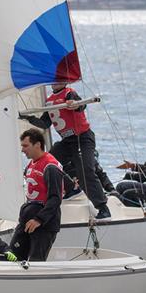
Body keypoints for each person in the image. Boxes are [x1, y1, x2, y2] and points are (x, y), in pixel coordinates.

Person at [19, 83, 111, 219]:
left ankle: (103, 207)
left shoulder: (69, 93)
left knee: (85, 171)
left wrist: (75, 104)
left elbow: (81, 105)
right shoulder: (49, 101)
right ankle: (70, 188)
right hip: (67, 141)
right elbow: (45, 124)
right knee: (49, 162)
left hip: (82, 138)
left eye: (60, 79)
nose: (56, 82)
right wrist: (28, 117)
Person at [8, 129, 65, 262]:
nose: (22, 150)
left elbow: (56, 198)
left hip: (43, 224)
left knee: (36, 261)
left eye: (25, 146)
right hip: (27, 220)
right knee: (12, 257)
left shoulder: (50, 166)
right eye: (22, 146)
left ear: (38, 145)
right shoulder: (32, 163)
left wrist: (39, 219)